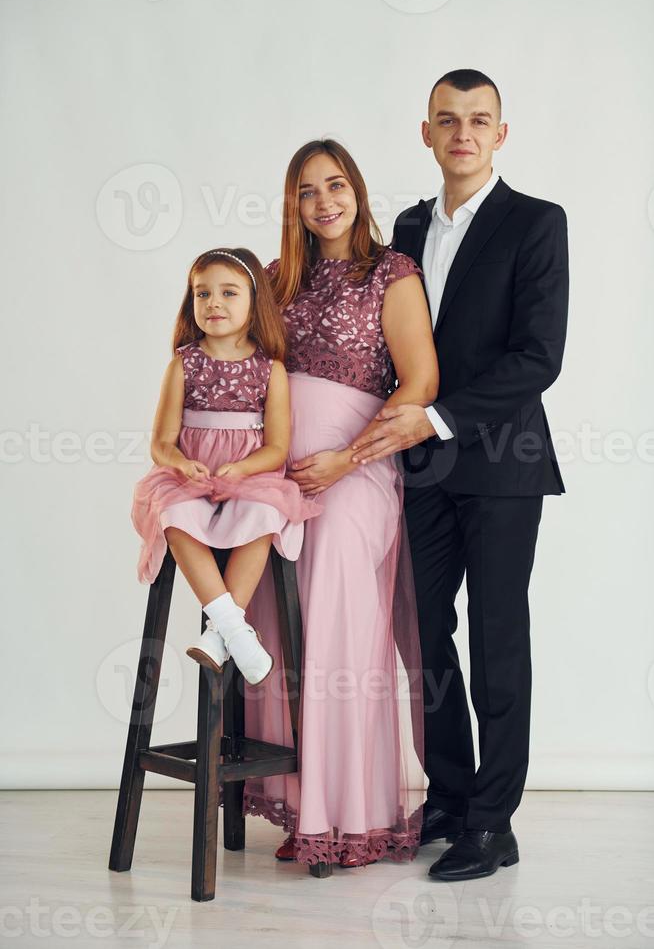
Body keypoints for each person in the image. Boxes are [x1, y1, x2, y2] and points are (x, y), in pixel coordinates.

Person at [351, 69, 569, 881]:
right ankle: (446, 798)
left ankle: (494, 821)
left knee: (496, 640)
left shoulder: (537, 223)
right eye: (448, 119)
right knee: (427, 637)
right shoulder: (406, 227)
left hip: (503, 466)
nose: (463, 133)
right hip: (419, 469)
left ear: (500, 134)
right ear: (427, 132)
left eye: (479, 119)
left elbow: (538, 357)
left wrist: (437, 417)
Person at [240, 139, 438, 875]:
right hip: (281, 473)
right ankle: (302, 805)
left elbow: (419, 383)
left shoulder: (392, 273)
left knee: (333, 620)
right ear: (292, 204)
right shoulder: (272, 279)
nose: (323, 202)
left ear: (356, 190)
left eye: (335, 186)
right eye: (306, 191)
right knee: (278, 625)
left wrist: (346, 460)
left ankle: (349, 816)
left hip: (357, 471)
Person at [131, 246, 322, 685]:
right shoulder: (183, 364)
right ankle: (236, 628)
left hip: (249, 478)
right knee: (173, 516)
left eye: (228, 293)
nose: (213, 303)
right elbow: (161, 442)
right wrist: (181, 464)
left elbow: (277, 447)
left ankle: (220, 636)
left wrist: (243, 469)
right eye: (202, 294)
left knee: (265, 515)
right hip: (191, 478)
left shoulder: (270, 369)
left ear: (254, 303)